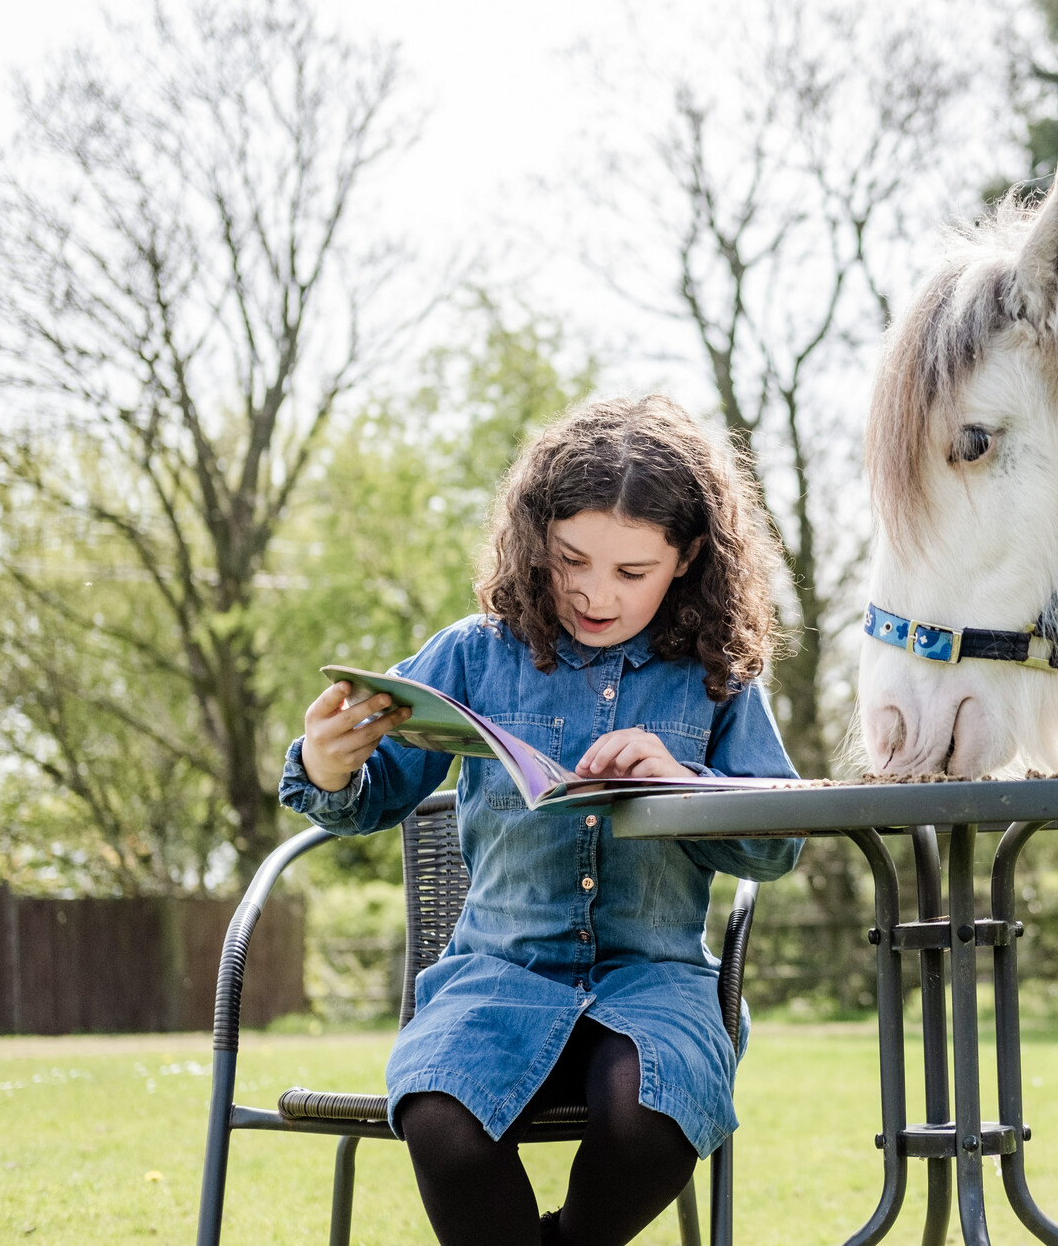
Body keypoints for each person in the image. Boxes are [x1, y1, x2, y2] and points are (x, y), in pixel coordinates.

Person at [279, 396, 802, 1246]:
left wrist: (685, 783)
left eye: (634, 572)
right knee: (441, 1117)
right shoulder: (472, 653)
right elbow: (367, 795)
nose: (597, 593)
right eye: (571, 561)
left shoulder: (716, 677)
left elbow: (778, 844)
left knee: (653, 1116)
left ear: (688, 558)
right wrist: (327, 764)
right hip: (496, 975)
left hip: (655, 981)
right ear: (535, 539)